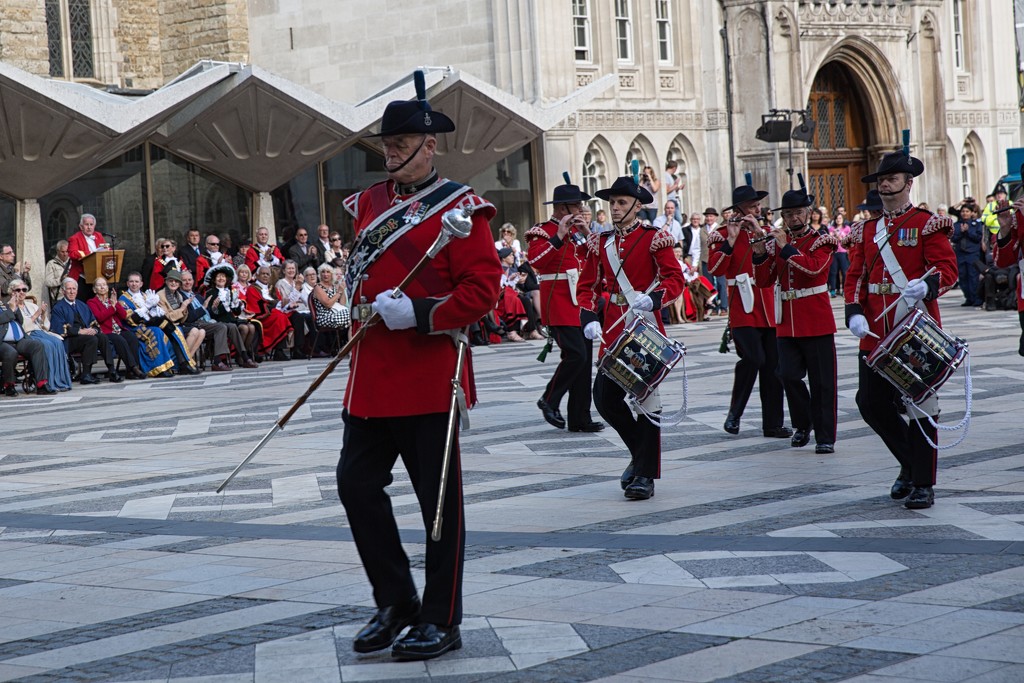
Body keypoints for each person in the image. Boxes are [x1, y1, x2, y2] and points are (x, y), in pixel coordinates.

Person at [336, 88, 500, 661]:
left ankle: (440, 617)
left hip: (431, 371)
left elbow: (483, 291)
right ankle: (396, 599)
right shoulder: (368, 205)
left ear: (429, 146)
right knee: (354, 485)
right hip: (373, 372)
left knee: (437, 507)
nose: (390, 154)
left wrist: (423, 312)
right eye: (386, 144)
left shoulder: (462, 209)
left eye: (401, 144)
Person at [844, 147, 958, 510]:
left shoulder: (926, 223)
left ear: (908, 184)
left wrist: (928, 285)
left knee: (922, 404)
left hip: (914, 326)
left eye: (891, 180)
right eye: (881, 180)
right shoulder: (867, 230)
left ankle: (922, 481)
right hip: (876, 330)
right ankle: (909, 465)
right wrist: (852, 312)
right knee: (871, 403)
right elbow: (855, 276)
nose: (885, 186)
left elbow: (947, 268)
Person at [577, 175, 685, 500]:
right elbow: (587, 286)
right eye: (612, 203)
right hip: (612, 327)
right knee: (604, 398)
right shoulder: (601, 242)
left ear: (637, 206)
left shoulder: (655, 239)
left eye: (621, 202)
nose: (615, 208)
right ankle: (640, 458)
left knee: (646, 402)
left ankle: (645, 476)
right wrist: (587, 317)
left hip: (645, 327)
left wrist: (652, 299)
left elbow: (674, 279)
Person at [753, 186, 838, 454]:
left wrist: (784, 247)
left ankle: (825, 436)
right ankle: (803, 423)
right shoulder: (778, 242)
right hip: (787, 320)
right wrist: (759, 252)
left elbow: (814, 269)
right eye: (788, 214)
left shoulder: (821, 241)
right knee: (787, 375)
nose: (793, 219)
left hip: (815, 317)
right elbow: (764, 280)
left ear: (808, 213)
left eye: (798, 213)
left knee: (823, 382)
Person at [708, 182, 792, 439]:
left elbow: (777, 260)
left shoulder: (767, 231)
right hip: (743, 306)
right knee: (753, 358)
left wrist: (759, 233)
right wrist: (731, 241)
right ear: (739, 208)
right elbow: (716, 269)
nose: (757, 209)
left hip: (767, 303)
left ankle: (773, 423)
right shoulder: (721, 234)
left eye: (757, 205)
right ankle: (735, 413)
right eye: (752, 206)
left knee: (773, 366)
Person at [526, 179, 601, 432]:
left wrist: (588, 233)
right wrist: (558, 235)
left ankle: (580, 417)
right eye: (576, 206)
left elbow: (599, 258)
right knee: (575, 355)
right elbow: (536, 260)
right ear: (561, 208)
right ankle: (549, 399)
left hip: (581, 300)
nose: (581, 210)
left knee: (585, 360)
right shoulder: (543, 229)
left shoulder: (580, 233)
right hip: (557, 301)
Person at [119, 272, 200, 375]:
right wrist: (147, 307)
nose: (134, 284)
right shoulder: (123, 299)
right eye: (131, 281)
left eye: (136, 281)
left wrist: (154, 309)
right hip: (135, 328)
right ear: (127, 284)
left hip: (148, 323)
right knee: (157, 331)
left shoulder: (145, 295)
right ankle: (159, 368)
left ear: (141, 283)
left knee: (174, 329)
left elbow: (153, 314)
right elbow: (131, 320)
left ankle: (182, 363)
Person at [50, 278, 124, 384]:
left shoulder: (82, 305)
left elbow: (94, 323)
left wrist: (93, 329)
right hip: (69, 340)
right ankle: (86, 374)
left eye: (74, 289)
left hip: (85, 336)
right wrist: (80, 331)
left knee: (102, 337)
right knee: (91, 340)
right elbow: (58, 328)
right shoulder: (58, 307)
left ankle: (112, 370)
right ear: (63, 291)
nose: (72, 292)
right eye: (69, 289)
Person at [9, 279, 73, 391]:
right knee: (47, 345)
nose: (22, 292)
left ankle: (61, 380)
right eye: (18, 290)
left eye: (24, 289)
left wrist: (43, 315)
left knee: (57, 342)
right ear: (12, 292)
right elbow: (21, 328)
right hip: (28, 335)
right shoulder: (11, 307)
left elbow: (45, 326)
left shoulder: (31, 305)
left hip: (40, 332)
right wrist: (37, 314)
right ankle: (49, 381)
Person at [87, 277, 153, 380]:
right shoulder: (92, 302)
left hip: (119, 329)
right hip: (106, 332)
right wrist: (112, 308)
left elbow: (123, 315)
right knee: (120, 339)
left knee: (131, 337)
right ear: (94, 289)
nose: (102, 287)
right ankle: (133, 368)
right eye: (99, 285)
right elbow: (99, 317)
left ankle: (130, 371)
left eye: (104, 284)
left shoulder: (111, 301)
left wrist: (116, 303)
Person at [0, 287, 54, 395]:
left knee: (37, 346)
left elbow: (20, 321)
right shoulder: (8, 307)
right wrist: (11, 310)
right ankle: (9, 385)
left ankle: (41, 384)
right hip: (3, 342)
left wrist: (15, 308)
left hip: (19, 340)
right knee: (11, 352)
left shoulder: (5, 306)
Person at [203, 263, 259, 367]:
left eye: (223, 276)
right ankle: (243, 356)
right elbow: (210, 313)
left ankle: (242, 355)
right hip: (219, 321)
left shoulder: (230, 291)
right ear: (214, 279)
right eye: (218, 276)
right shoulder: (210, 292)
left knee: (251, 327)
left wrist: (237, 304)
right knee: (244, 329)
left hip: (232, 320)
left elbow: (236, 312)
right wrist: (215, 308)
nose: (221, 278)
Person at [179, 270, 235, 372]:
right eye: (184, 280)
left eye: (189, 280)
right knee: (221, 327)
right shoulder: (180, 296)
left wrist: (213, 308)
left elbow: (208, 313)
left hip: (206, 322)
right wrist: (204, 307)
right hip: (193, 324)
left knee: (229, 326)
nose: (187, 282)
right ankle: (217, 361)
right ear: (180, 282)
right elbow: (188, 317)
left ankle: (239, 356)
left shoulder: (197, 296)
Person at [158, 270, 207, 362]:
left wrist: (184, 310)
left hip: (178, 325)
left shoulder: (178, 295)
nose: (173, 283)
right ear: (166, 282)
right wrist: (182, 307)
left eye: (176, 281)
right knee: (195, 331)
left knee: (202, 332)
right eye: (171, 281)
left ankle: (187, 360)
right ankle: (182, 361)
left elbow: (182, 318)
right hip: (167, 326)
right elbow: (168, 317)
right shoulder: (160, 295)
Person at [248, 265, 295, 360]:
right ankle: (279, 351)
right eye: (263, 274)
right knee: (280, 317)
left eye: (267, 274)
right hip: (262, 317)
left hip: (274, 313)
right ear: (257, 275)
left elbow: (280, 302)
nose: (265, 276)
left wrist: (287, 305)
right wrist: (278, 304)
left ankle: (296, 350)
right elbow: (258, 305)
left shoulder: (273, 288)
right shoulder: (252, 289)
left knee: (296, 315)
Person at [309, 262, 350, 355]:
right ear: (320, 274)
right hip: (324, 316)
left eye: (328, 272)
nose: (325, 274)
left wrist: (342, 290)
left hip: (335, 313)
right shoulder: (318, 287)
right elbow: (328, 304)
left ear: (332, 274)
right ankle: (349, 349)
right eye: (323, 272)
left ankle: (348, 348)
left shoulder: (333, 287)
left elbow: (341, 304)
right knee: (352, 319)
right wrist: (339, 292)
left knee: (354, 317)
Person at [67, 214, 109, 297]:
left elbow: (106, 249)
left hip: (98, 276)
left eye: (91, 224)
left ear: (94, 226)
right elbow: (72, 253)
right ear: (81, 226)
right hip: (82, 277)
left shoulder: (98, 235)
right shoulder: (74, 238)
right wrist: (90, 253)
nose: (89, 227)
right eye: (86, 224)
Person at [276, 260, 312, 357]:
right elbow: (286, 301)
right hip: (285, 311)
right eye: (289, 268)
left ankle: (309, 348)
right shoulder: (280, 283)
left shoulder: (296, 282)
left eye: (293, 268)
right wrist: (297, 288)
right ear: (283, 270)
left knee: (311, 316)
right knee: (298, 317)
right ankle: (297, 349)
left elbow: (305, 299)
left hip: (300, 309)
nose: (291, 270)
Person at [952, 203, 984, 307]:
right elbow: (953, 238)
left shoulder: (976, 224)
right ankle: (968, 298)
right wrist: (961, 232)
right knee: (963, 277)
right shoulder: (957, 225)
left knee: (973, 276)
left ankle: (976, 298)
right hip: (960, 254)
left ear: (971, 213)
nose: (965, 213)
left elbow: (978, 238)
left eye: (967, 211)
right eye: (963, 211)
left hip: (972, 253)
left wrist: (968, 231)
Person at [702, 208, 727, 315]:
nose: (709, 218)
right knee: (710, 285)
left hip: (719, 258)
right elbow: (696, 247)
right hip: (705, 259)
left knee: (721, 283)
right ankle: (715, 307)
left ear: (716, 217)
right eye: (707, 216)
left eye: (711, 216)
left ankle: (724, 307)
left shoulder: (721, 228)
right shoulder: (701, 229)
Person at [827, 209, 851, 296]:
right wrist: (834, 235)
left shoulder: (847, 228)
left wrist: (840, 236)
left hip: (843, 252)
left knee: (845, 271)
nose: (838, 220)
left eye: (840, 218)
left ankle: (845, 289)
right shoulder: (831, 228)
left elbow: (848, 239)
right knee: (833, 271)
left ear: (843, 219)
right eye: (837, 218)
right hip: (835, 252)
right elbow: (830, 238)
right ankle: (833, 289)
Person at [44, 240, 71, 306]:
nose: (65, 254)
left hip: (72, 297)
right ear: (57, 251)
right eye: (62, 252)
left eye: (67, 251)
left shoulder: (73, 262)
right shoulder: (51, 264)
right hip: (59, 299)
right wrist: (60, 280)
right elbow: (48, 282)